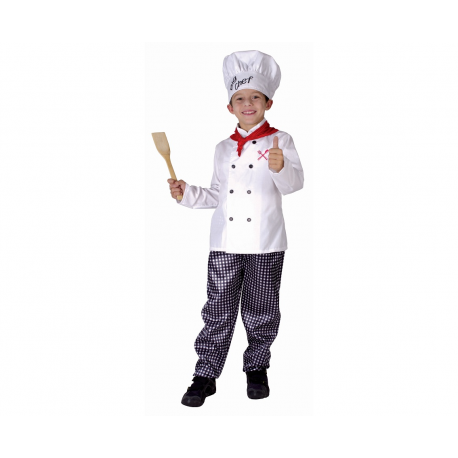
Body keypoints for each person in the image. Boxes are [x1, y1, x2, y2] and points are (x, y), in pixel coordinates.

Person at [167, 50, 304, 407]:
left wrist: (280, 168)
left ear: (268, 102)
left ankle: (256, 367)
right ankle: (205, 374)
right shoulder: (222, 148)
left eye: (255, 97)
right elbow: (216, 194)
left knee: (262, 308)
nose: (248, 104)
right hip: (225, 241)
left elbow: (294, 185)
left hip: (266, 241)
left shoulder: (282, 140)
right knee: (218, 309)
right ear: (230, 107)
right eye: (240, 99)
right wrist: (186, 193)